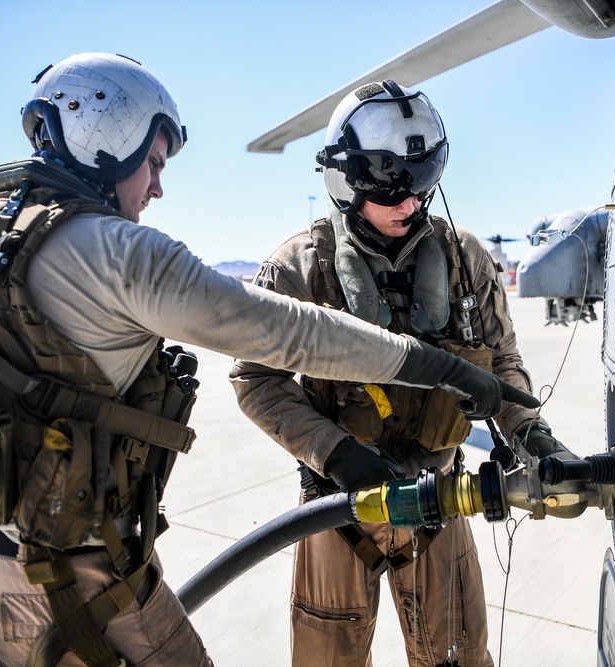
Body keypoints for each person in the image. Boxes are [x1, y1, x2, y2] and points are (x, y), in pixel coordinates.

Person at [0, 56, 536, 667]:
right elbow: (289, 335)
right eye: (152, 162)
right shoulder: (123, 255)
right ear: (110, 136)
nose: (157, 187)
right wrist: (430, 376)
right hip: (70, 584)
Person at [229, 80, 578, 667]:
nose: (410, 203)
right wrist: (337, 454)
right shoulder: (298, 268)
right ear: (348, 180)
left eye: (421, 184)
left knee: (458, 657)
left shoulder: (467, 260)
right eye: (392, 188)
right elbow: (255, 379)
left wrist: (534, 437)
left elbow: (505, 365)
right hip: (338, 507)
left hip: (441, 497)